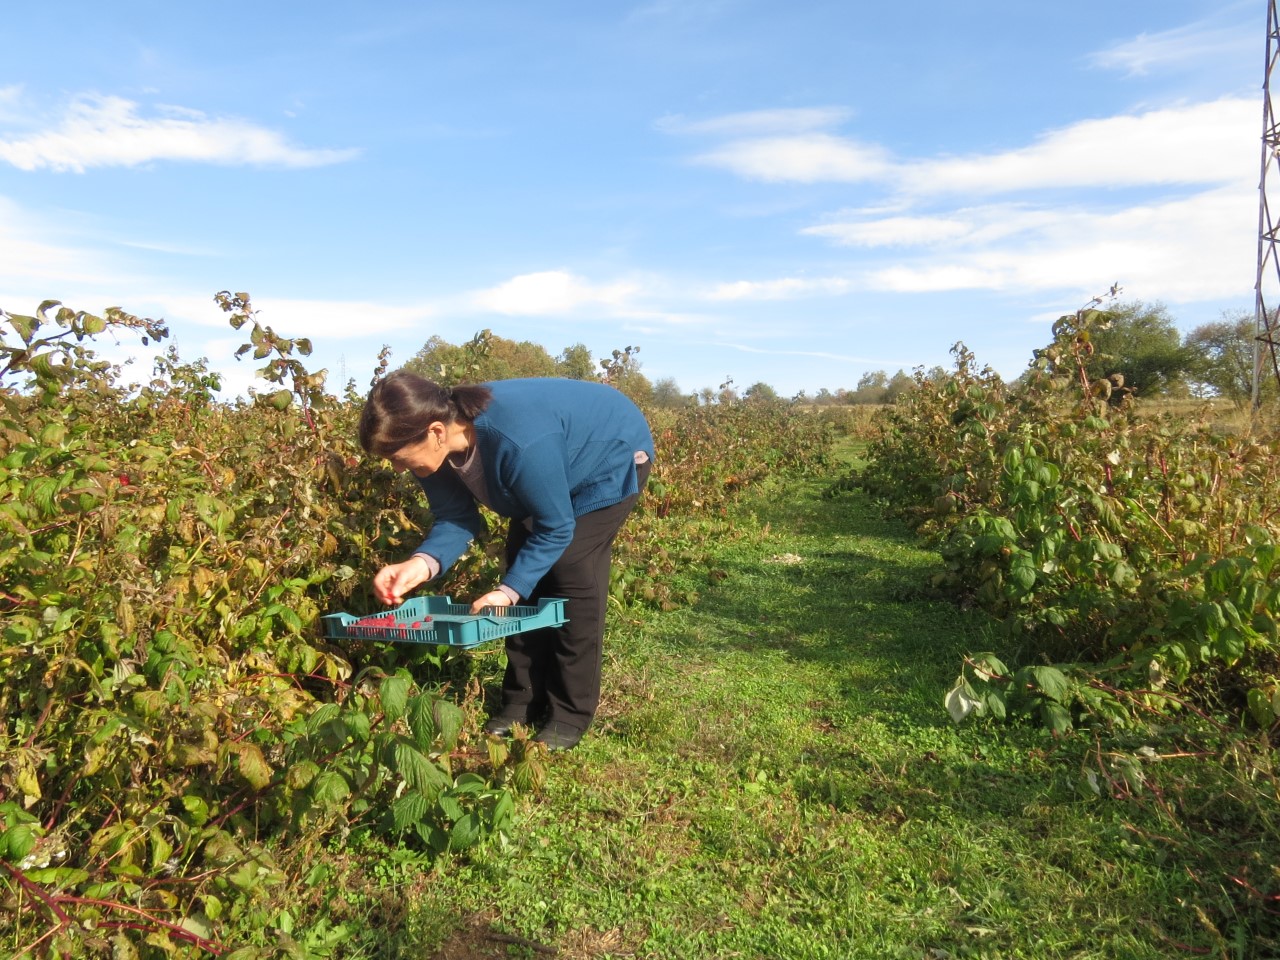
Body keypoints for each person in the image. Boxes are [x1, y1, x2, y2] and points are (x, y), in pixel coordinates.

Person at [359, 371, 654, 752]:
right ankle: (521, 701)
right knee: (522, 563)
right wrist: (419, 563)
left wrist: (508, 591)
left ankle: (569, 714)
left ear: (435, 431)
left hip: (609, 455)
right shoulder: (433, 452)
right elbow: (456, 518)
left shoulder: (519, 440)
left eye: (399, 458)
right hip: (547, 465)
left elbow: (556, 527)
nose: (397, 469)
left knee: (571, 569)